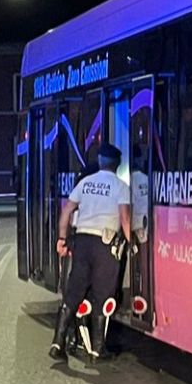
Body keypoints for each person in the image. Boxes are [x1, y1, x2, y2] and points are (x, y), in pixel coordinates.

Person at [50, 143, 131, 362]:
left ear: (100, 162)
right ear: (117, 164)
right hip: (105, 245)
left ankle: (57, 343)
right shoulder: (121, 186)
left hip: (82, 242)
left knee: (74, 292)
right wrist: (132, 244)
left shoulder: (85, 182)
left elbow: (67, 210)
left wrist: (62, 239)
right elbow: (124, 218)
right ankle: (97, 350)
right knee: (103, 295)